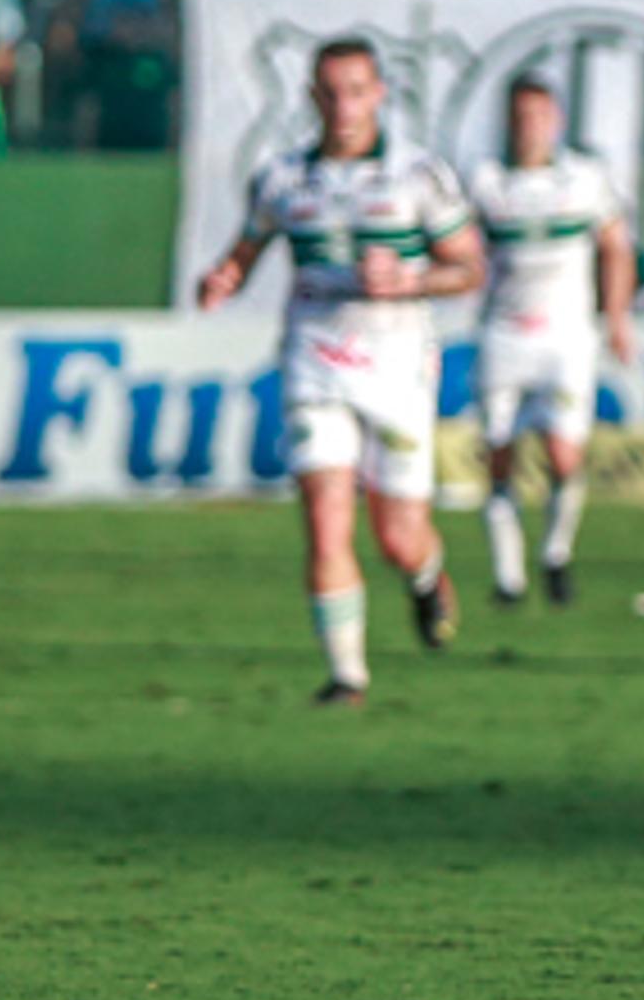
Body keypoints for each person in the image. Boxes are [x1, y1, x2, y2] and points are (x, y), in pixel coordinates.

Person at [198, 37, 486, 705]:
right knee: (326, 515)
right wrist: (223, 279)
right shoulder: (283, 179)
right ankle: (346, 676)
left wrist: (410, 280)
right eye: (330, 92)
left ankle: (426, 577)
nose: (343, 107)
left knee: (397, 536)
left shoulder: (420, 176)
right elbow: (246, 250)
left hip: (397, 368)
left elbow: (471, 268)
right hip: (314, 364)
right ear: (311, 97)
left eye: (357, 91)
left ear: (380, 93)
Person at [465, 73, 635, 606]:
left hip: (566, 337)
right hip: (503, 334)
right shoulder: (487, 182)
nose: (530, 127)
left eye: (539, 116)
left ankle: (556, 554)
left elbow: (616, 248)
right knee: (499, 455)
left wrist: (616, 318)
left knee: (564, 458)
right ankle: (508, 577)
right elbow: (461, 253)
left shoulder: (584, 180)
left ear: (557, 120)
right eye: (520, 117)